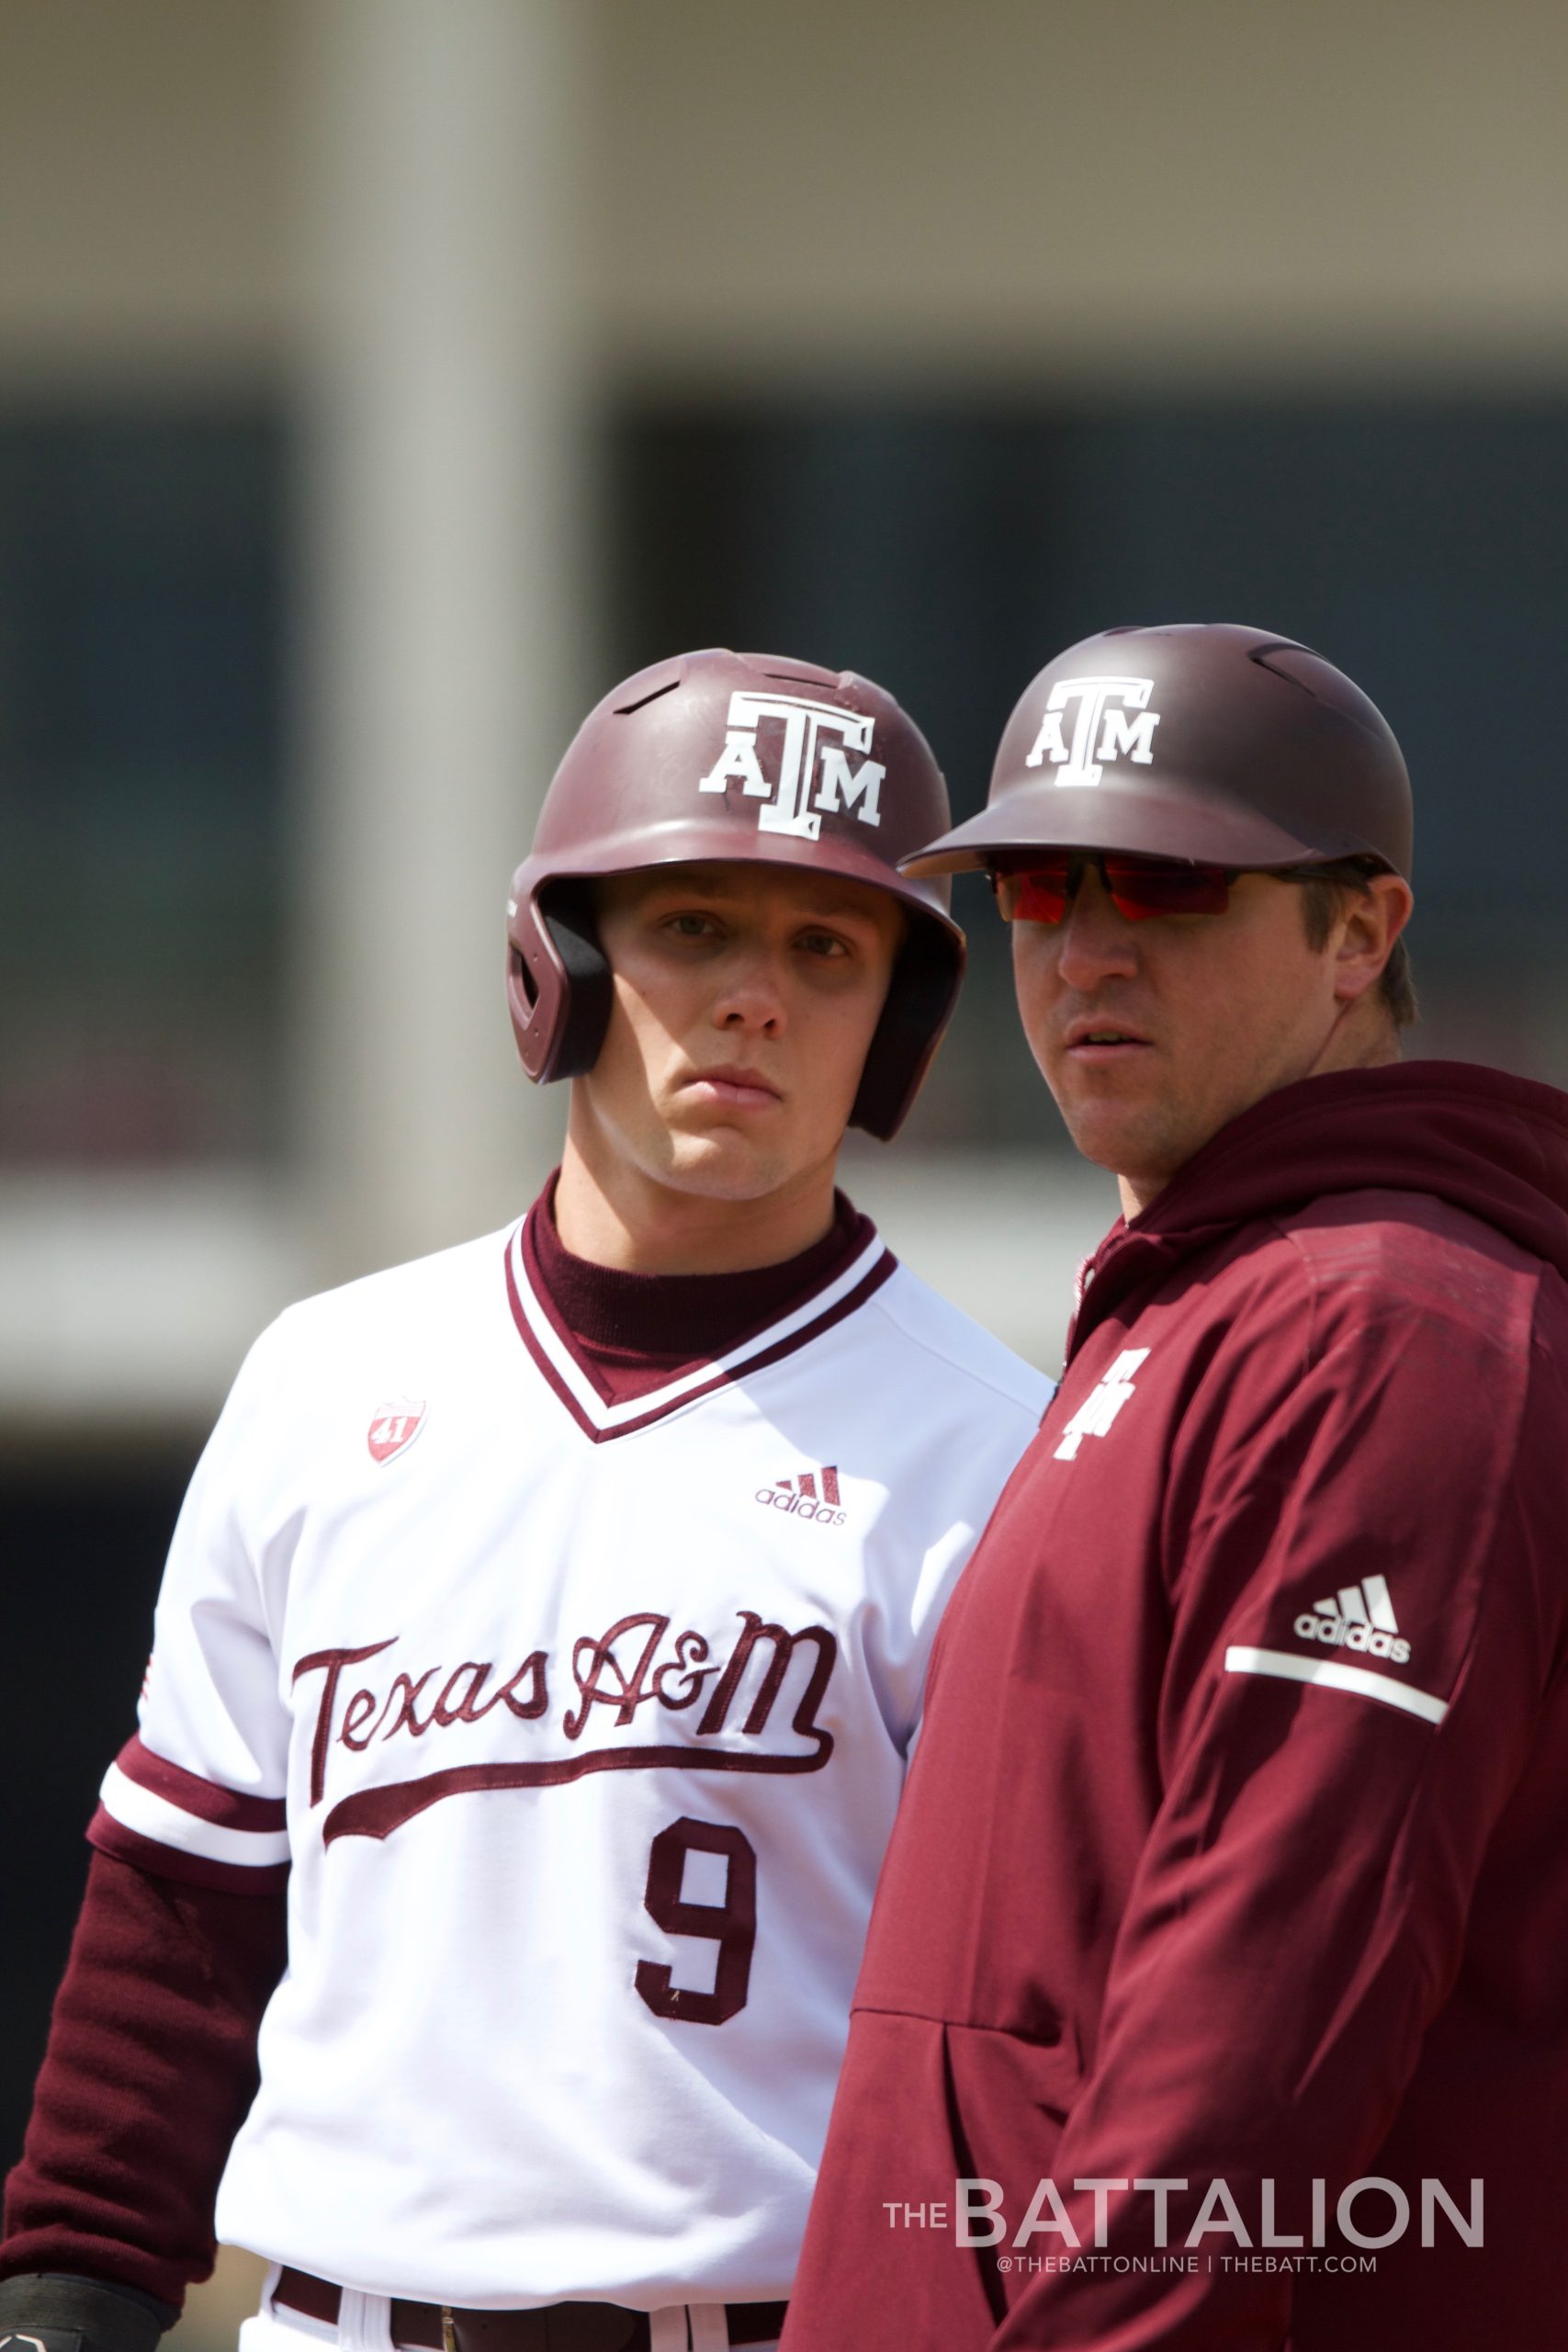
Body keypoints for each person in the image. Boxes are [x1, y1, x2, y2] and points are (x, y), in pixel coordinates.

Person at [0, 650, 1052, 2352]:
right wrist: (64, 2307)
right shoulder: (325, 1383)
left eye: (826, 947)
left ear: (894, 1023)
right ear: (555, 963)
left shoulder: (991, 1454)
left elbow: (1023, 2039)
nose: (757, 999)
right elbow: (179, 1917)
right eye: (695, 926)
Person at [782, 622, 1568, 2351]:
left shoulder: (1393, 1324)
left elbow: (1261, 2024)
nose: (1084, 953)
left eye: (1167, 888)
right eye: (1041, 893)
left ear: (1362, 932)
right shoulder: (1216, 1291)